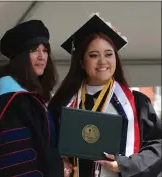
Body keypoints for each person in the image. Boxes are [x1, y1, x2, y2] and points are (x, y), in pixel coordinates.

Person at [48, 14, 162, 177]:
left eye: (109, 54)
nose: (102, 61)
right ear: (81, 62)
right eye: (93, 55)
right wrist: (60, 163)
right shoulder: (63, 103)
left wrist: (124, 165)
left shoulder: (137, 103)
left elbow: (157, 147)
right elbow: (45, 146)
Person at [0, 20, 63, 177]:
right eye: (34, 50)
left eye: (45, 50)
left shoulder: (26, 95)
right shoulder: (11, 99)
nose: (42, 57)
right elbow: (15, 162)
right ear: (21, 56)